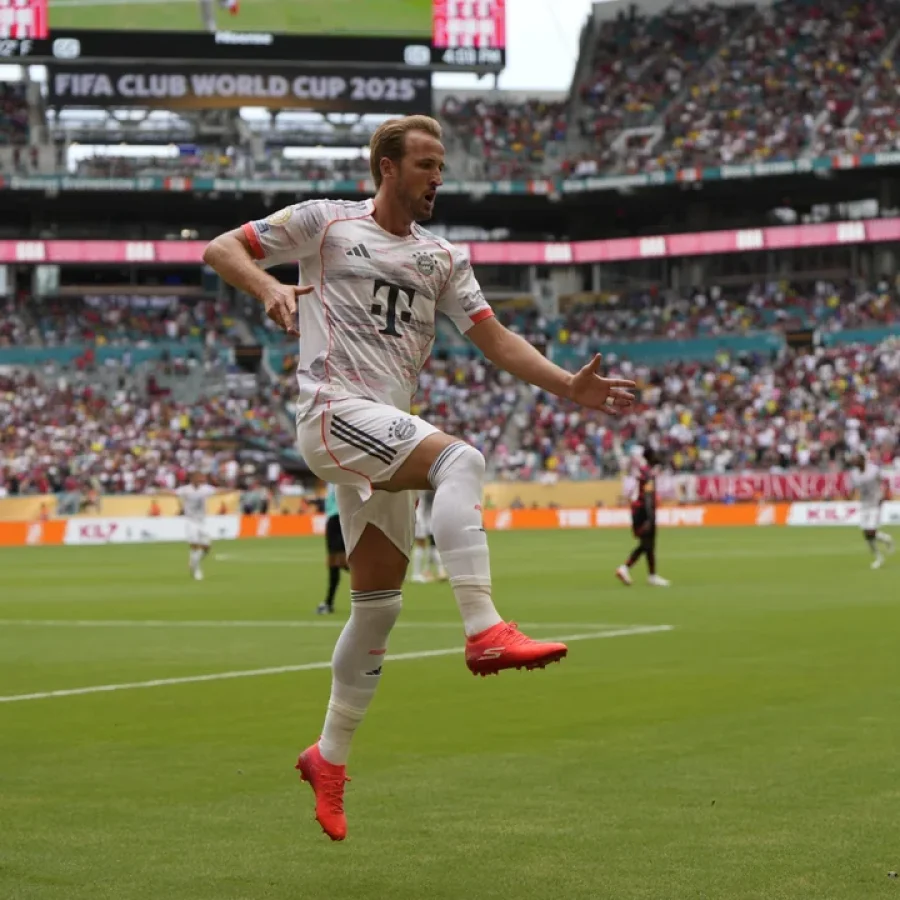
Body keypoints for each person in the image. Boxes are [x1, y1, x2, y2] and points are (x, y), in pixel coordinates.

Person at [202, 114, 636, 841]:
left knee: (378, 607)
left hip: (379, 427)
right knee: (461, 460)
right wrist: (266, 288)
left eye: (442, 166)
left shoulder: (442, 259)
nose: (439, 178)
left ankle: (327, 759)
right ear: (386, 167)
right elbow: (223, 247)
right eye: (427, 165)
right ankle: (483, 627)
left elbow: (494, 339)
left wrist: (568, 386)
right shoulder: (326, 224)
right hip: (331, 411)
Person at [157, 471, 229, 581]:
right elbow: (173, 493)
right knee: (195, 545)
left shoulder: (205, 489)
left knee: (206, 548)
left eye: (201, 477)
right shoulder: (185, 490)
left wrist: (232, 490)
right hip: (191, 521)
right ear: (192, 479)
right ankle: (196, 570)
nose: (200, 479)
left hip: (202, 522)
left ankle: (193, 562)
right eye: (198, 477)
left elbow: (218, 491)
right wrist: (159, 491)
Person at [616, 447, 670, 587]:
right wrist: (649, 518)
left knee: (649, 545)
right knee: (646, 544)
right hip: (643, 513)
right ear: (651, 457)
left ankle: (652, 575)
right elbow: (647, 498)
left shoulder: (643, 472)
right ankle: (625, 568)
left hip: (639, 511)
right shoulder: (647, 475)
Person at [852, 450, 894, 569]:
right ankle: (885, 542)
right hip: (864, 504)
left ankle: (879, 557)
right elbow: (855, 489)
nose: (854, 462)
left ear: (862, 460)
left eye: (856, 460)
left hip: (875, 502)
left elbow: (884, 481)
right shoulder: (854, 474)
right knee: (866, 534)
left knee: (870, 530)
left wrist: (885, 494)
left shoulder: (874, 470)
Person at [318, 483, 348, 614]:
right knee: (336, 563)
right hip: (341, 518)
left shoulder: (334, 474)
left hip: (337, 519)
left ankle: (374, 585)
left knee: (337, 562)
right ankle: (329, 602)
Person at [410, 489, 448, 582]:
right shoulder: (423, 489)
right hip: (419, 517)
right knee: (421, 545)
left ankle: (427, 571)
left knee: (430, 544)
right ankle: (416, 574)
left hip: (424, 516)